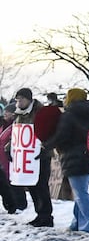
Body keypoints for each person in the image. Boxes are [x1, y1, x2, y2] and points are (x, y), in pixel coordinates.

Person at [43, 88, 89, 233]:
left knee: (81, 194)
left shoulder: (69, 115)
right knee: (81, 192)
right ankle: (77, 222)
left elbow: (62, 135)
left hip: (73, 157)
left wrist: (47, 145)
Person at [12, 88, 56, 227]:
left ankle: (46, 216)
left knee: (41, 185)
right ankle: (39, 214)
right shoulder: (19, 114)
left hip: (41, 155)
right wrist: (9, 148)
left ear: (29, 99)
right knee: (31, 185)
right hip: (27, 156)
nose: (19, 102)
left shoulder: (40, 112)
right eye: (17, 100)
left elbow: (50, 131)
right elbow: (17, 133)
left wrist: (45, 147)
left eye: (21, 99)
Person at [0, 101, 28, 214]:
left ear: (13, 114)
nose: (5, 114)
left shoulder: (15, 125)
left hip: (11, 158)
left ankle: (19, 204)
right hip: (2, 159)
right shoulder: (3, 125)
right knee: (4, 182)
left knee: (12, 181)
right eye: (5, 111)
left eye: (7, 112)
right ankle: (10, 205)